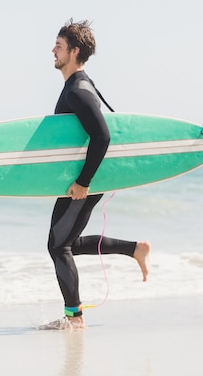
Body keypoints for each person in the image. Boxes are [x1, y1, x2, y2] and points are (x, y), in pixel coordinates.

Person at [42, 19, 151, 330]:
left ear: (74, 51)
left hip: (86, 179)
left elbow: (102, 137)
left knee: (57, 246)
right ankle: (135, 249)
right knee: (67, 243)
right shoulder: (78, 85)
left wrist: (83, 183)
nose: (53, 50)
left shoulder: (78, 90)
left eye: (59, 46)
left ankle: (74, 318)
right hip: (86, 177)